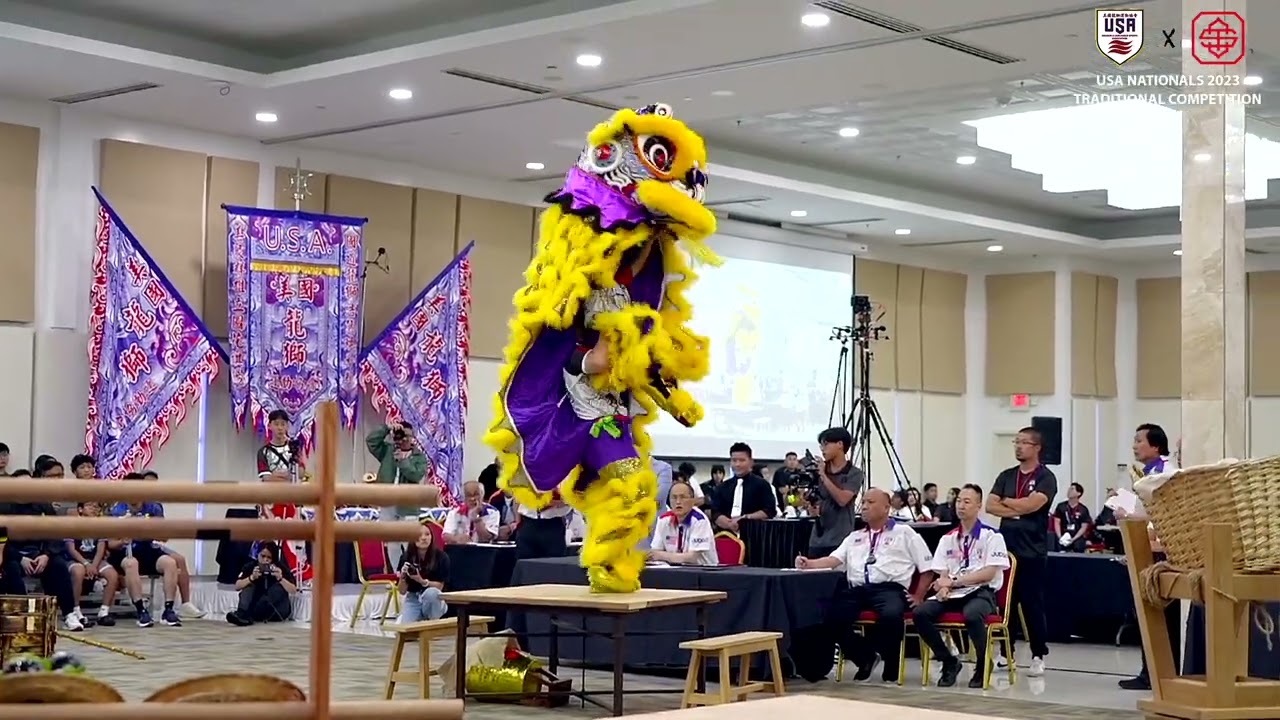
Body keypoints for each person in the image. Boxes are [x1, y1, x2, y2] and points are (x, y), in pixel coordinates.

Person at [485, 102, 716, 593]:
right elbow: (562, 341)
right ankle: (607, 568)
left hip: (611, 413)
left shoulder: (645, 283)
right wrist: (589, 359)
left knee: (632, 493)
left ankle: (610, 570)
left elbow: (640, 359)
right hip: (579, 407)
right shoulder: (583, 272)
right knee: (628, 488)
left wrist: (672, 397)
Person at [795, 488, 932, 683]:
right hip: (858, 589)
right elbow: (834, 559)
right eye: (864, 502)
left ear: (886, 508)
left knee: (891, 615)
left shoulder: (905, 533)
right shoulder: (854, 536)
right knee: (831, 616)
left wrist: (919, 596)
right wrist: (809, 563)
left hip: (890, 589)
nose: (864, 506)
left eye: (870, 502)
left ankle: (891, 664)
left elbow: (927, 568)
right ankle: (864, 656)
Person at [912, 484, 1010, 688]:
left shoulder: (992, 536)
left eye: (967, 502)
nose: (961, 506)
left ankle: (982, 664)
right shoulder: (948, 538)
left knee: (972, 614)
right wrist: (944, 587)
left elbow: (989, 573)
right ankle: (949, 661)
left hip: (981, 592)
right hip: (953, 593)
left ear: (978, 506)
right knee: (921, 613)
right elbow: (942, 572)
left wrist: (954, 581)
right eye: (958, 501)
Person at [985, 426, 1057, 677]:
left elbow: (1033, 505)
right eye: (1016, 442)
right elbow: (990, 505)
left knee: (1031, 603)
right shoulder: (1007, 475)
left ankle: (1038, 654)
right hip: (1007, 550)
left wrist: (1008, 503)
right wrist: (1018, 508)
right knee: (1007, 603)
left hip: (1032, 551)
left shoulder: (1046, 477)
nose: (1018, 446)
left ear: (1036, 447)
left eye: (1024, 442)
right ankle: (1006, 653)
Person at [1118, 422, 1182, 691]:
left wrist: (1128, 511)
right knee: (1145, 615)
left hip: (1163, 553)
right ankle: (1150, 672)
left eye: (1139, 441)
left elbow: (1158, 512)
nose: (1134, 446)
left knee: (1162, 617)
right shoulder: (1144, 473)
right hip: (1144, 547)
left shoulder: (1166, 472)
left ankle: (1162, 673)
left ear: (1155, 446)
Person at [0, 459, 81, 630]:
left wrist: (46, 554)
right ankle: (22, 616)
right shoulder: (3, 507)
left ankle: (69, 614)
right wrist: (20, 558)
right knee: (11, 569)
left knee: (59, 566)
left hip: (39, 552)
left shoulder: (43, 505)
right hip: (12, 553)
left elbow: (54, 534)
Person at [106, 474, 185, 627]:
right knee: (131, 564)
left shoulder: (153, 508)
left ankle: (168, 610)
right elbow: (110, 544)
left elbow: (164, 537)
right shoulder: (116, 511)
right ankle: (141, 611)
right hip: (124, 553)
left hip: (147, 549)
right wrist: (122, 540)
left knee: (170, 563)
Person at [806, 427, 863, 558]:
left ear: (840, 444)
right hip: (817, 538)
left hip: (841, 538)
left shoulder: (854, 473)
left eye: (826, 444)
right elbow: (812, 498)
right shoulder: (818, 470)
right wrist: (810, 505)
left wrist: (823, 475)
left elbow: (842, 500)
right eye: (821, 445)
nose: (822, 449)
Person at [65, 501, 122, 627]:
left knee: (112, 574)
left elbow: (101, 548)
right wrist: (86, 564)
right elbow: (71, 549)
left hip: (94, 559)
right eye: (90, 506)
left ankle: (104, 612)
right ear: (80, 509)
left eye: (96, 507)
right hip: (76, 559)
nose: (94, 509)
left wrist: (94, 565)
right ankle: (75, 611)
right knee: (78, 571)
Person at [650, 479, 718, 565]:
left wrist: (662, 555)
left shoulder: (700, 521)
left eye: (683, 497)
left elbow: (692, 558)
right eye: (674, 498)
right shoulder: (663, 520)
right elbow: (654, 553)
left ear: (692, 500)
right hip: (672, 570)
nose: (678, 502)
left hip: (703, 570)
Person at [227, 542, 297, 625]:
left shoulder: (280, 567)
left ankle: (246, 616)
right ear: (258, 555)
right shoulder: (251, 566)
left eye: (269, 558)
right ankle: (242, 615)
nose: (265, 560)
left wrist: (280, 579)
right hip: (257, 607)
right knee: (249, 586)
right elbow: (237, 586)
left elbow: (293, 590)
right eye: (263, 556)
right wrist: (251, 578)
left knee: (277, 588)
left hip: (276, 610)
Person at [713, 443, 777, 533]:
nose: (737, 464)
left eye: (742, 460)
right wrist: (727, 523)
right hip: (726, 535)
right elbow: (715, 512)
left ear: (751, 462)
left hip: (754, 534)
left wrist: (745, 518)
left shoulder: (762, 485)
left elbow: (769, 510)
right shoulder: (722, 487)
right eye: (734, 460)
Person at [397, 524, 451, 623]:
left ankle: (432, 621)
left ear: (432, 537)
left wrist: (421, 581)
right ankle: (416, 618)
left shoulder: (441, 557)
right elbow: (402, 591)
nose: (423, 538)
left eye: (427, 534)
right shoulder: (406, 557)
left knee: (431, 593)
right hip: (413, 597)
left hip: (434, 598)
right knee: (406, 629)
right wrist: (403, 577)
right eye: (419, 535)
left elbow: (440, 587)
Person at [1052, 482, 1093, 553]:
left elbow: (1084, 527)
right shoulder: (1061, 506)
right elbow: (1057, 522)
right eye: (1069, 489)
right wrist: (1060, 537)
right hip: (1063, 534)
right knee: (1057, 543)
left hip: (1076, 536)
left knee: (1079, 544)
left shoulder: (1083, 509)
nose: (1069, 491)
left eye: (1072, 489)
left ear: (1078, 493)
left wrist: (1073, 539)